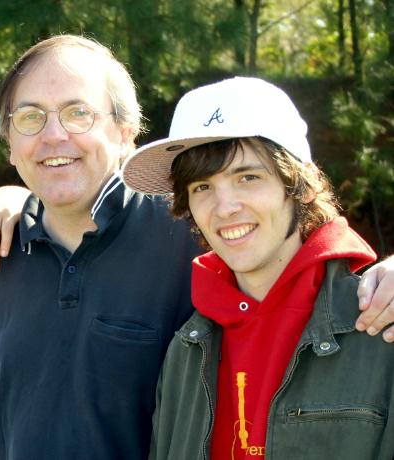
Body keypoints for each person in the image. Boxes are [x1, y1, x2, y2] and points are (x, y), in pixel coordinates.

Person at [0, 35, 394, 460]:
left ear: (126, 133)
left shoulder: (193, 238)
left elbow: (310, 266)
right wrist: (8, 198)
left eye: (78, 113)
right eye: (30, 117)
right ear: (8, 143)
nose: (53, 136)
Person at [122, 76, 394, 458]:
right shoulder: (185, 350)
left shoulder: (379, 324)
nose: (225, 207)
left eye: (248, 177)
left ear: (302, 183)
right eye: (202, 187)